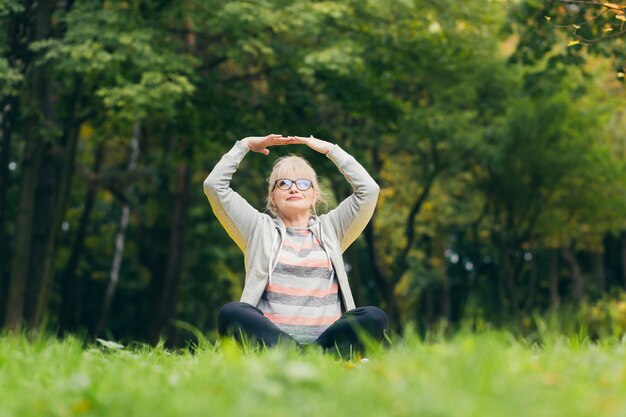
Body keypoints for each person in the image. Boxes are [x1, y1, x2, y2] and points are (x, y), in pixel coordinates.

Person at [204, 134, 388, 355]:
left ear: (314, 194)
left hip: (326, 341)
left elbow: (369, 190)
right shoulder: (257, 228)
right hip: (275, 346)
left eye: (303, 183)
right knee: (232, 312)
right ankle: (301, 356)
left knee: (374, 316)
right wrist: (245, 145)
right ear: (272, 197)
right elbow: (214, 186)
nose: (294, 189)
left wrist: (331, 150)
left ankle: (312, 356)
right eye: (283, 183)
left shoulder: (332, 229)